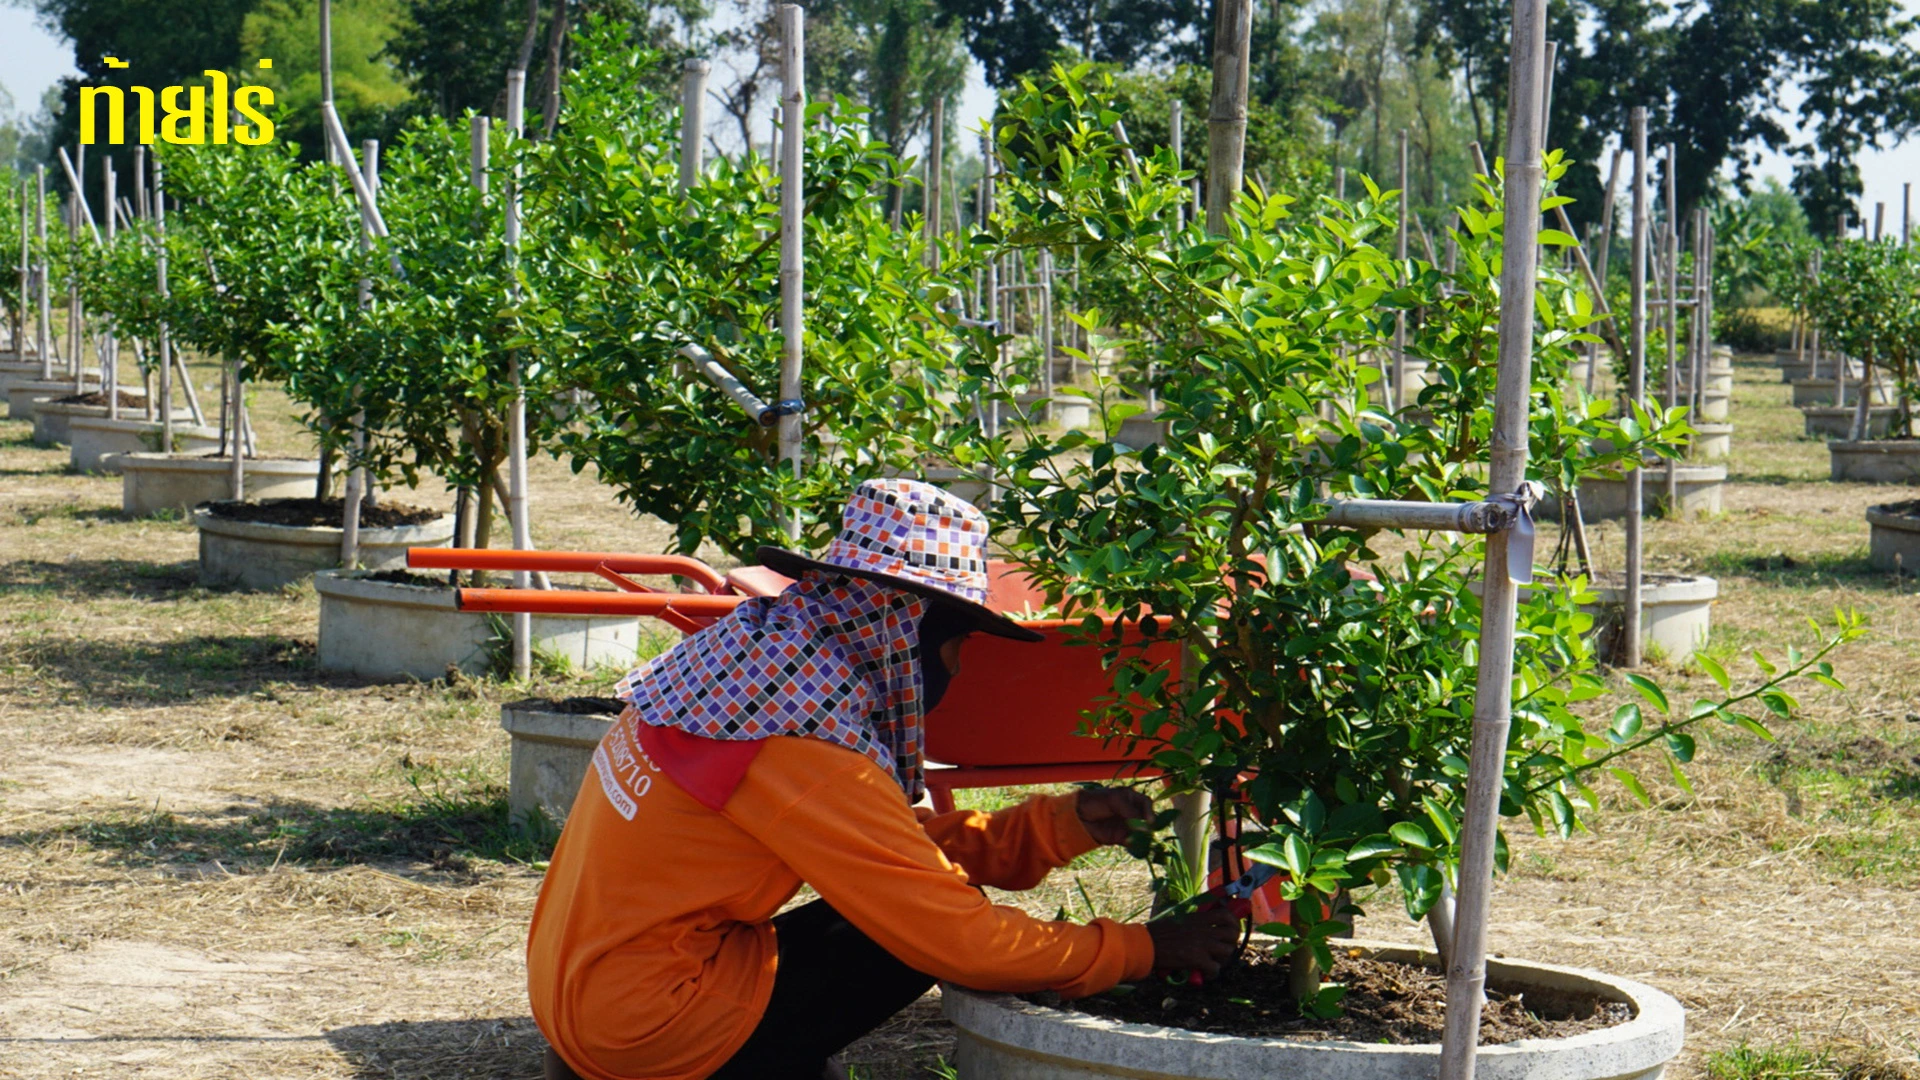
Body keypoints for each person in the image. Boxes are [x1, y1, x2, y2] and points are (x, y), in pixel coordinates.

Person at [528, 478, 1240, 1080]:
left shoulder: (745, 672)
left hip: (585, 992)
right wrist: (1140, 950)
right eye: (958, 642)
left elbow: (887, 846)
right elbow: (956, 941)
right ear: (912, 628)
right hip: (643, 1031)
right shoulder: (801, 745)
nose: (957, 669)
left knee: (898, 910)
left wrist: (1059, 825)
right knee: (904, 936)